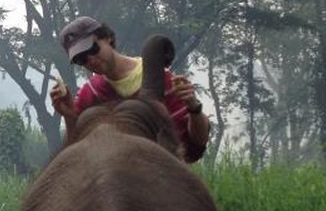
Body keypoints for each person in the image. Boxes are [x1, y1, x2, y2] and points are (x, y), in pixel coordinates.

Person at [50, 16, 211, 163]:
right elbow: (77, 153)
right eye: (81, 59)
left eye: (92, 49)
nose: (90, 60)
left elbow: (196, 144)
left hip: (166, 175)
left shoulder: (163, 79)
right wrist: (70, 116)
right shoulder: (91, 93)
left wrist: (193, 107)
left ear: (107, 38)